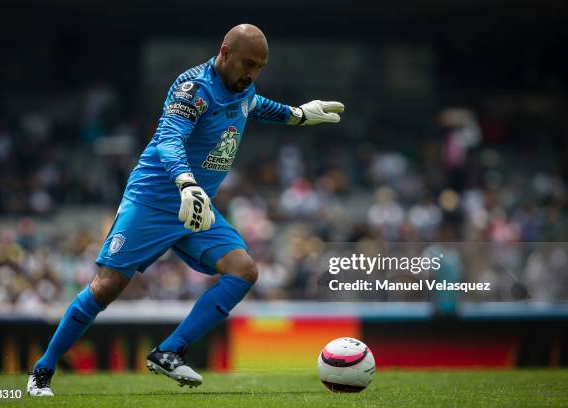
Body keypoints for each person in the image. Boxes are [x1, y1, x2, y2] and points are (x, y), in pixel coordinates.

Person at [27, 23, 344, 396]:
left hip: (196, 208)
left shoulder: (244, 87)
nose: (253, 73)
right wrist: (186, 183)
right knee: (107, 287)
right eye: (247, 63)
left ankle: (170, 350)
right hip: (154, 199)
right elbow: (169, 139)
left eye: (260, 67)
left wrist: (300, 115)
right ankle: (42, 371)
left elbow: (256, 106)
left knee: (243, 271)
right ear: (225, 52)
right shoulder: (193, 89)